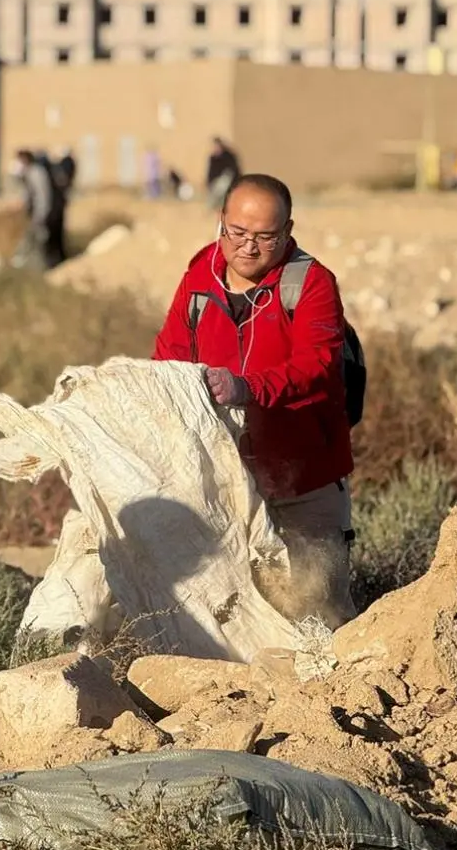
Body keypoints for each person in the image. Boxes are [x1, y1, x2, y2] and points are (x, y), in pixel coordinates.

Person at [152, 174, 358, 629]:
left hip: (303, 476)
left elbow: (316, 364)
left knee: (317, 610)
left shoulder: (312, 283)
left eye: (265, 236)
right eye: (237, 233)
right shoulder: (200, 275)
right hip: (223, 479)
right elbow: (168, 355)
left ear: (287, 231)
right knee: (230, 614)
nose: (248, 247)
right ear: (220, 223)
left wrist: (244, 388)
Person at [11, 150, 66, 270]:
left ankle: (50, 268)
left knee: (46, 243)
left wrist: (39, 217)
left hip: (49, 214)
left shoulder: (36, 173)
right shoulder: (29, 173)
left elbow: (42, 197)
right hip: (42, 214)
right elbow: (27, 195)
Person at [205, 136, 241, 210]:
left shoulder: (229, 156)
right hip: (216, 183)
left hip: (230, 181)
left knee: (223, 183)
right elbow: (210, 173)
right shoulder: (213, 158)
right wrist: (209, 183)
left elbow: (233, 171)